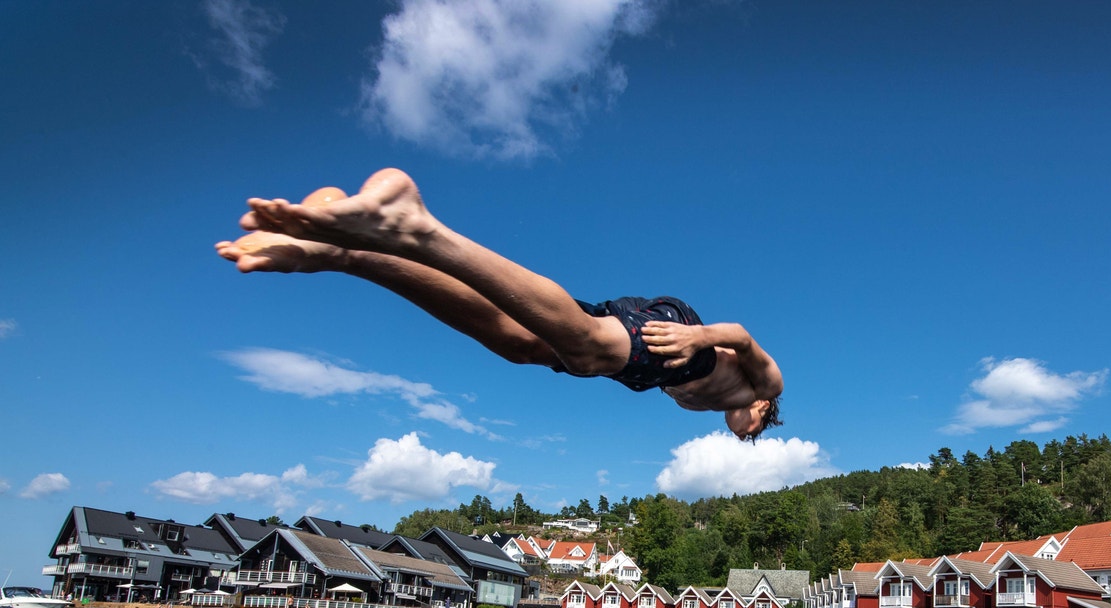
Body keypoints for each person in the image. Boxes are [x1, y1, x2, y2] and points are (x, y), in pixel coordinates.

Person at [216, 169, 784, 440]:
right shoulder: (766, 387)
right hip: (676, 336)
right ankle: (418, 229)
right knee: (586, 352)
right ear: (762, 414)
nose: (744, 434)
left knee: (520, 343)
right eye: (754, 431)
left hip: (647, 361)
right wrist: (697, 337)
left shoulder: (700, 410)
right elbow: (743, 335)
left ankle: (350, 254)